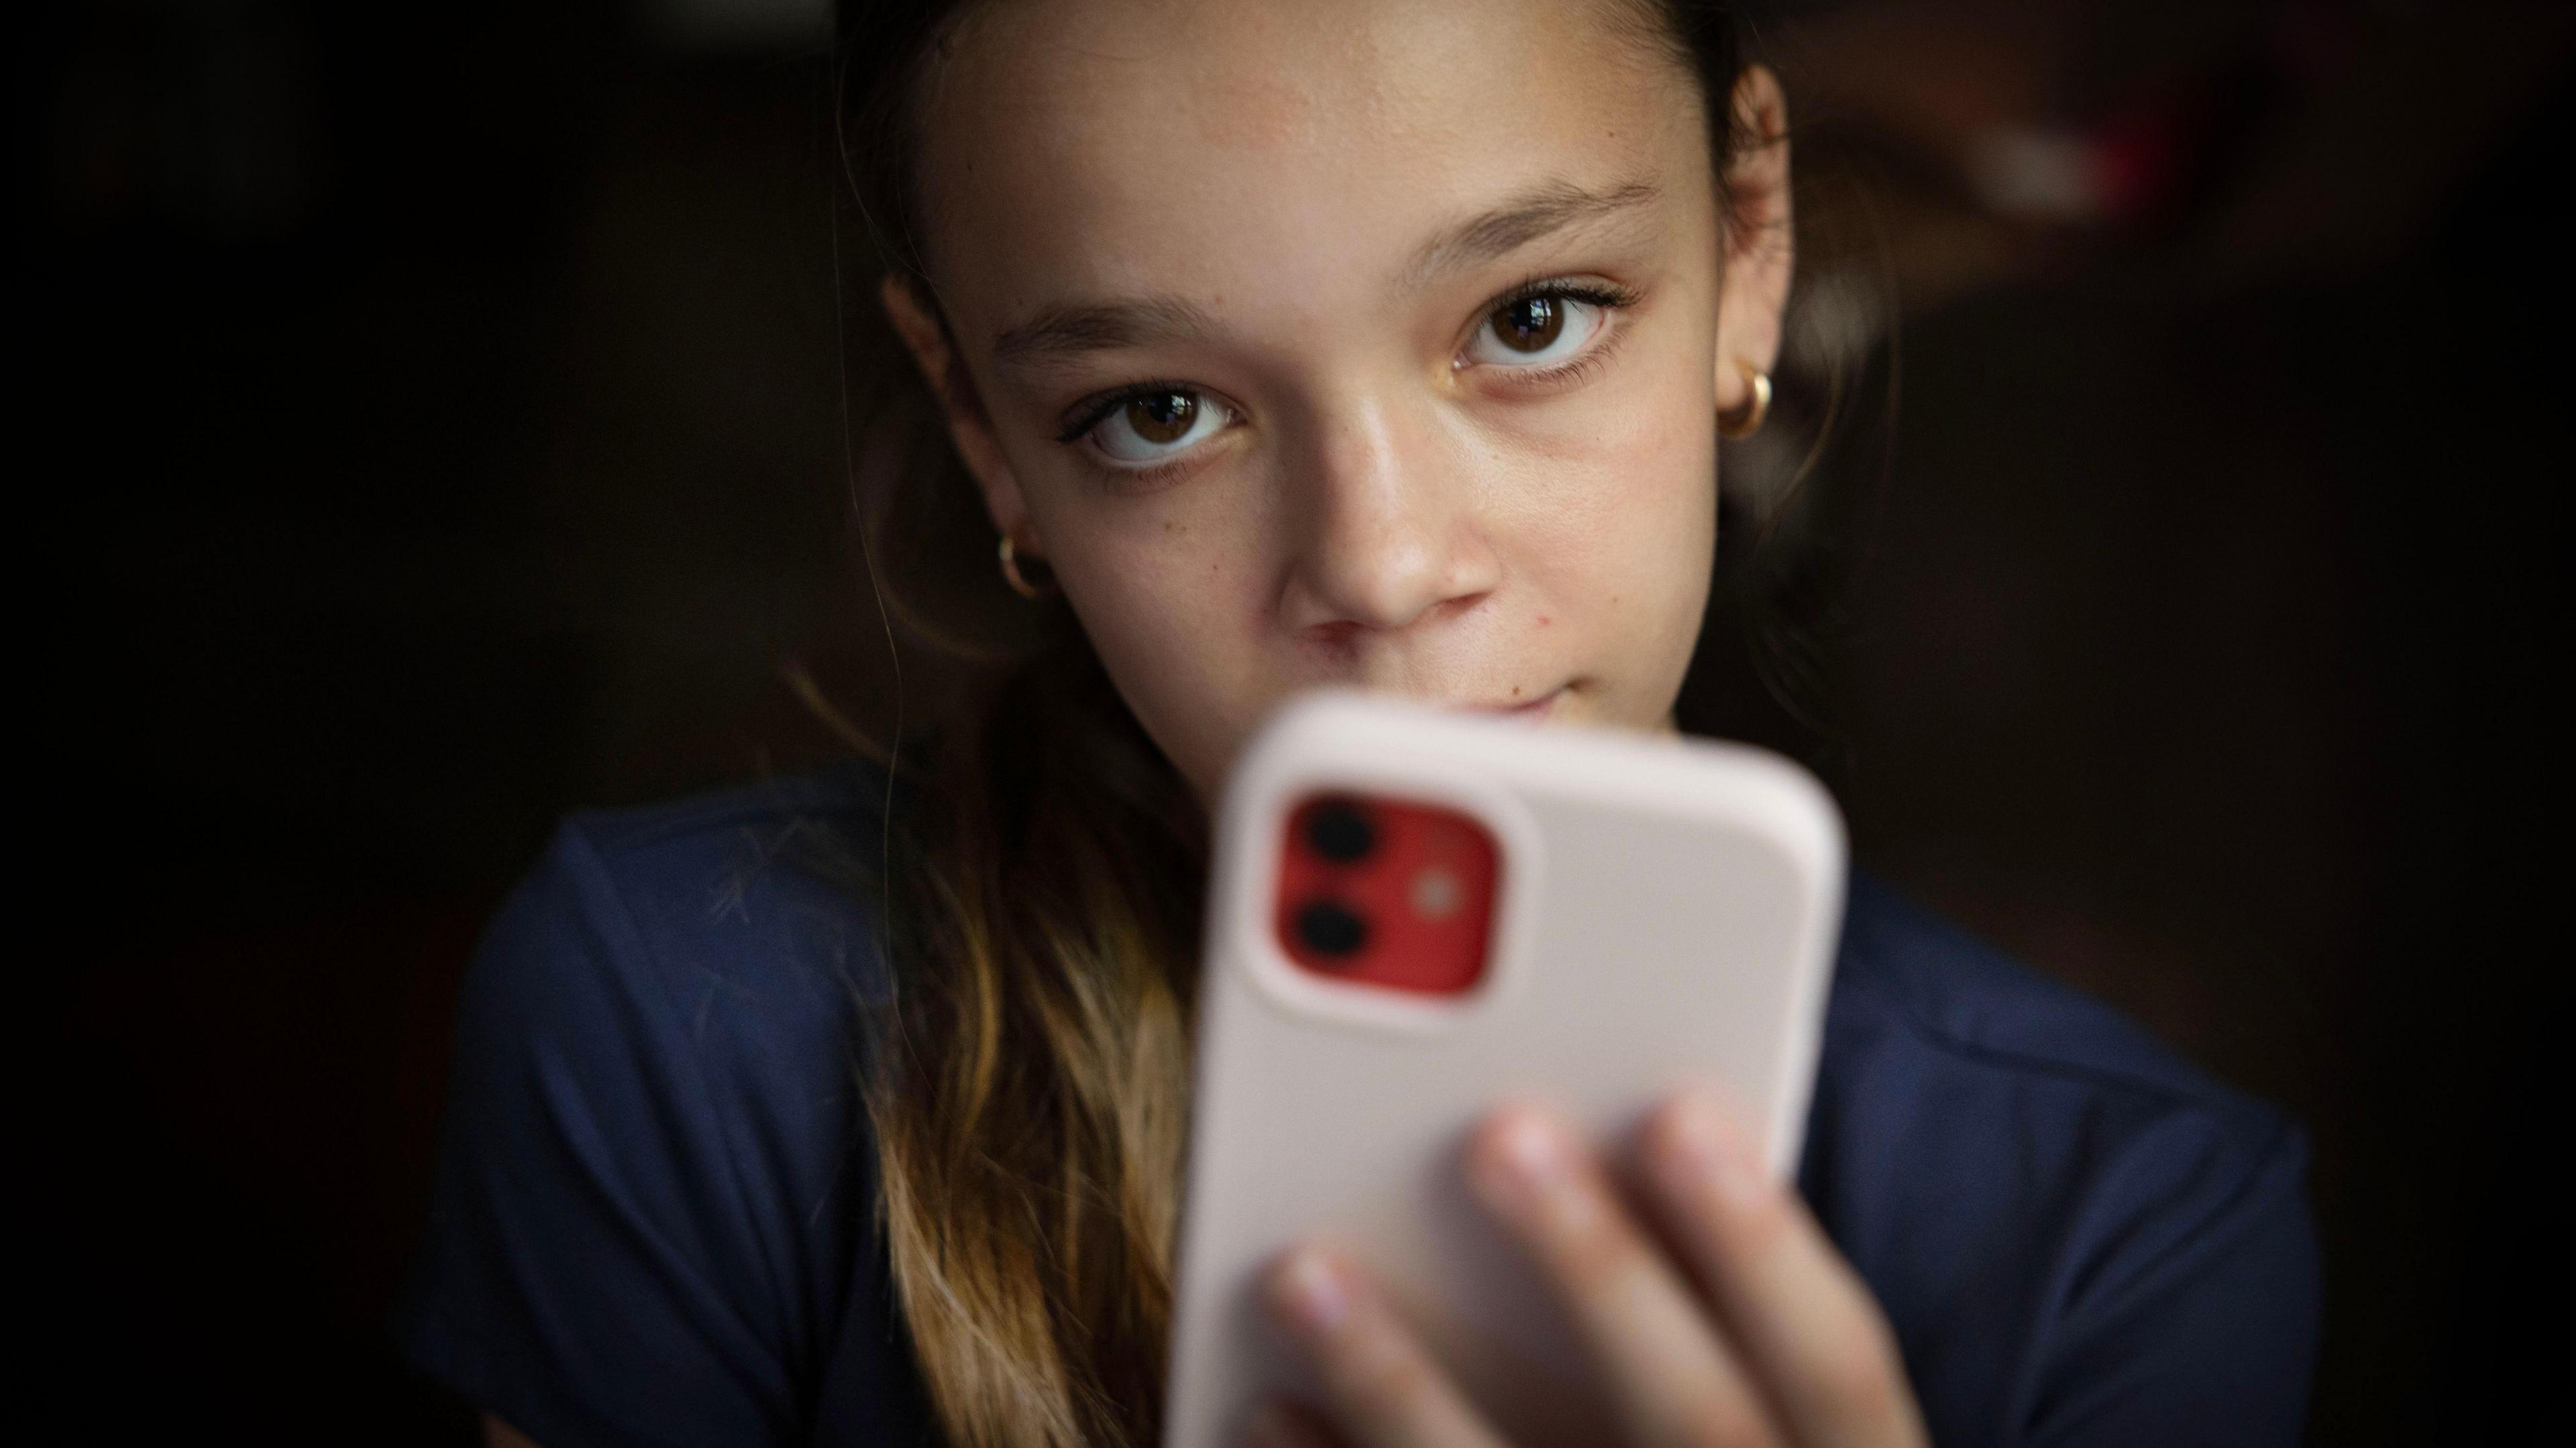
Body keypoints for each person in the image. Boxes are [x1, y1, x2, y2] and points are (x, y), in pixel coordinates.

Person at [396, 1, 2320, 1444]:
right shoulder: (687, 1025)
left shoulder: (2124, 1237)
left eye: (1536, 318)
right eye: (1157, 412)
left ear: (1750, 246)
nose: (1384, 566)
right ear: (983, 429)